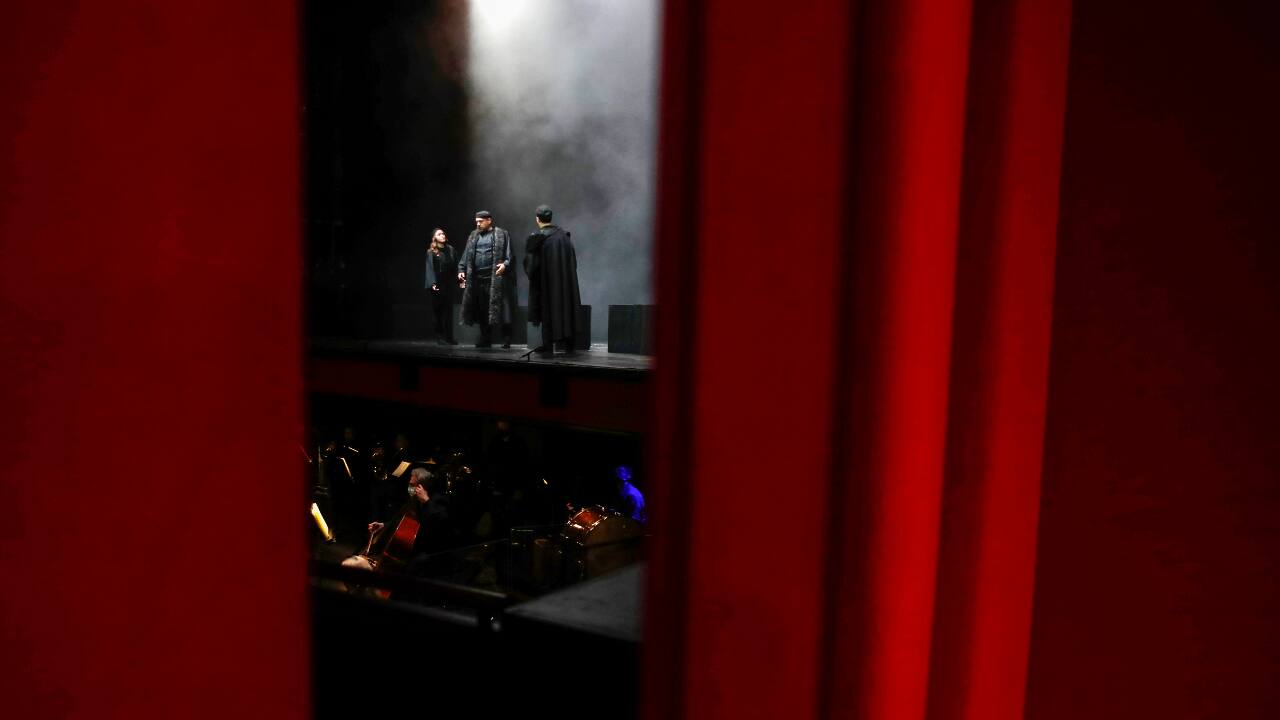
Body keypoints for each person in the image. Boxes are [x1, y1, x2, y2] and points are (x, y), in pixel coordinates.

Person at [523, 204, 582, 355]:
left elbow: (530, 266)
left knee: (547, 310)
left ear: (537, 219)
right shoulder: (564, 236)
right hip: (564, 283)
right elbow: (573, 261)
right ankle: (569, 346)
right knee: (566, 309)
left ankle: (548, 346)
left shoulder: (536, 238)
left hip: (546, 285)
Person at [458, 210, 517, 348]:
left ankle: (506, 339)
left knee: (503, 310)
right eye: (476, 222)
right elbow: (466, 256)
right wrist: (461, 270)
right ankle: (485, 338)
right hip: (479, 279)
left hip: (496, 278)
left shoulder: (502, 234)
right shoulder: (473, 236)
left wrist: (505, 264)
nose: (478, 224)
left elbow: (510, 255)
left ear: (489, 220)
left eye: (481, 221)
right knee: (483, 310)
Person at [424, 228, 457, 345]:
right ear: (434, 238)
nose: (442, 235)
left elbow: (455, 267)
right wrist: (432, 283)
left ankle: (449, 337)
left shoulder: (451, 250)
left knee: (449, 312)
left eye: (443, 233)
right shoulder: (431, 252)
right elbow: (429, 269)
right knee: (438, 312)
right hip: (437, 285)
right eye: (439, 234)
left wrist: (460, 280)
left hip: (448, 284)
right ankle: (439, 336)